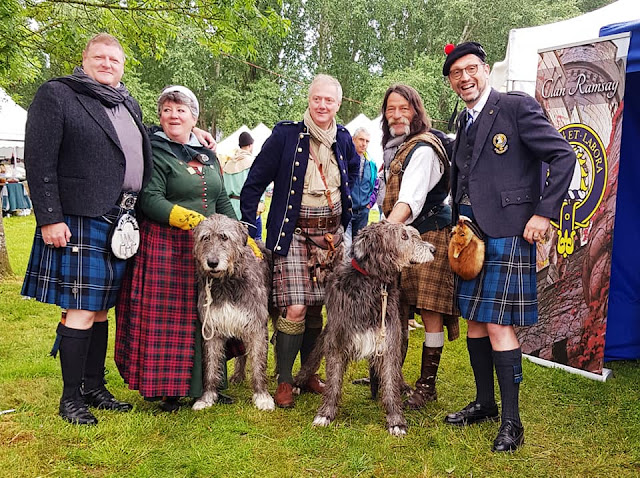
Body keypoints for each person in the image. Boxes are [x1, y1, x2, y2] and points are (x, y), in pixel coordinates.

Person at [442, 42, 574, 452]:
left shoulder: (515, 107)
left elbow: (563, 156)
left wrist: (543, 213)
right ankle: (485, 403)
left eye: (471, 69)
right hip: (469, 234)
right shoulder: (462, 120)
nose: (465, 78)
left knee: (499, 324)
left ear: (485, 70)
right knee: (475, 321)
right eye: (456, 73)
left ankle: (512, 423)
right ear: (450, 81)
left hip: (506, 232)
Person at [21, 33, 152, 426]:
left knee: (100, 309)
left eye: (115, 59)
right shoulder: (59, 94)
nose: (108, 63)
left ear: (122, 65)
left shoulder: (127, 102)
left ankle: (94, 387)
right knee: (80, 308)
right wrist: (49, 217)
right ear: (85, 59)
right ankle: (70, 399)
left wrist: (193, 137)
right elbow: (38, 160)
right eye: (100, 57)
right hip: (79, 217)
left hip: (122, 219)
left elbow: (142, 149)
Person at [115, 86, 238, 412]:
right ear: (160, 116)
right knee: (177, 318)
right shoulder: (153, 150)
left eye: (181, 110)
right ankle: (169, 389)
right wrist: (186, 218)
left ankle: (211, 384)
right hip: (169, 248)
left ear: (193, 117)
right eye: (168, 110)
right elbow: (149, 198)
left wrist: (240, 234)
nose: (174, 115)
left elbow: (221, 197)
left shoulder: (207, 155)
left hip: (212, 247)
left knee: (210, 313)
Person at [240, 74, 358, 408]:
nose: (323, 105)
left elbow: (351, 175)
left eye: (329, 100)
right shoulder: (286, 136)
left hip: (332, 237)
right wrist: (252, 228)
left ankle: (309, 373)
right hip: (294, 233)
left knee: (320, 306)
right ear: (309, 99)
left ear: (338, 103)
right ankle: (285, 379)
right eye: (317, 99)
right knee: (295, 307)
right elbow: (254, 183)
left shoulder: (345, 138)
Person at [379, 84, 459, 409]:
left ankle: (427, 386)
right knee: (398, 309)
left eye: (404, 108)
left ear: (416, 111)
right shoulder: (397, 147)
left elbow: (409, 201)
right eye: (390, 109)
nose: (397, 115)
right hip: (402, 239)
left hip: (430, 236)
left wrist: (382, 231)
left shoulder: (423, 149)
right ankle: (391, 377)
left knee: (430, 312)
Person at [223, 131, 265, 240]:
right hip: (250, 207)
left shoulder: (229, 163)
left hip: (230, 208)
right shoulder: (253, 162)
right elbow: (260, 184)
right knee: (255, 241)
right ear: (250, 145)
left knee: (233, 242)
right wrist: (261, 201)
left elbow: (224, 189)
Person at [343, 127, 378, 253]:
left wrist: (369, 204)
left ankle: (354, 272)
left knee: (358, 248)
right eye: (361, 139)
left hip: (363, 212)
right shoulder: (344, 161)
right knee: (346, 247)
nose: (364, 144)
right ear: (353, 140)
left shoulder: (372, 164)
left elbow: (375, 186)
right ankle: (343, 272)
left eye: (367, 141)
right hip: (347, 210)